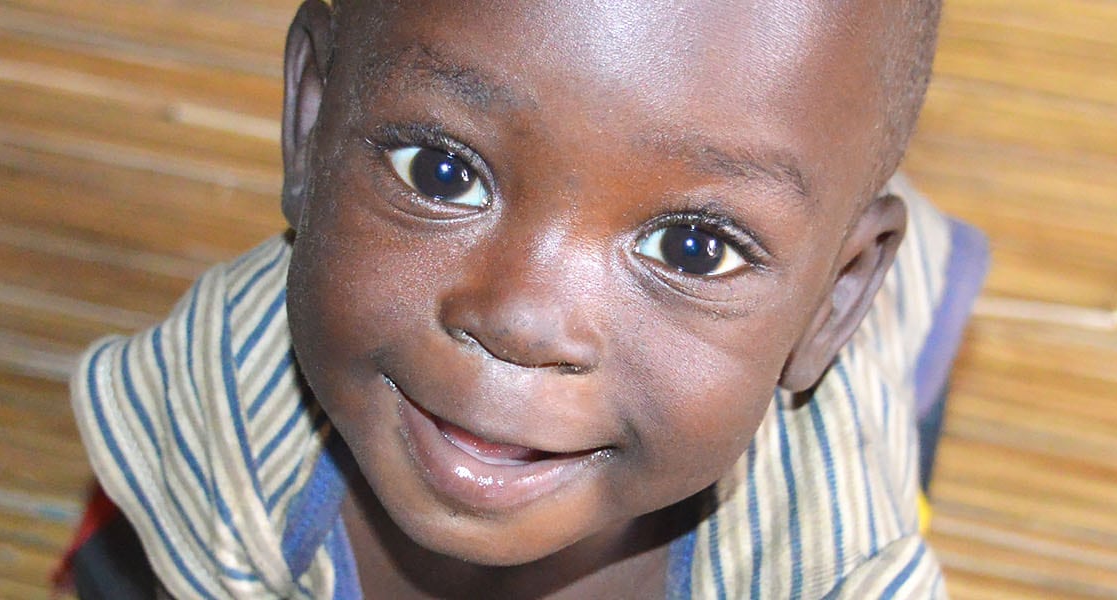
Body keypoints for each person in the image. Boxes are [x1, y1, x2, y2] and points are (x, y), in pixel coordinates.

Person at [66, 0, 972, 596]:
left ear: (833, 300)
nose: (521, 320)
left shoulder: (832, 562)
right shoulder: (225, 393)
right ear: (313, 121)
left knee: (908, 359)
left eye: (693, 249)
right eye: (441, 170)